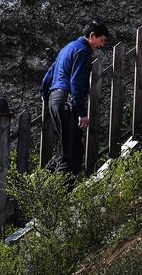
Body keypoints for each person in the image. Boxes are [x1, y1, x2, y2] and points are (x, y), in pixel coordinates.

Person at [40, 20, 110, 174]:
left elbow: (48, 76)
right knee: (72, 154)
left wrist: (46, 96)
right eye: (101, 40)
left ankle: (44, 184)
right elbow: (76, 84)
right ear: (92, 36)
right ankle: (62, 193)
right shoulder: (83, 51)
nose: (102, 45)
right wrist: (82, 113)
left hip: (55, 99)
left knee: (65, 149)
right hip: (66, 101)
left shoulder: (68, 48)